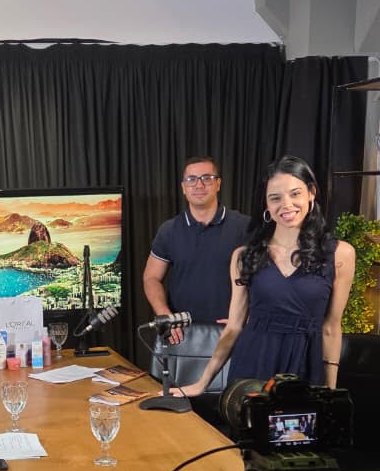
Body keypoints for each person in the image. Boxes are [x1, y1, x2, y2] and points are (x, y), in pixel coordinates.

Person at [171, 155, 356, 398]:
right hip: (253, 365)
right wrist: (201, 383)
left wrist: (330, 392)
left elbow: (331, 328)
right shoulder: (244, 256)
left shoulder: (341, 254)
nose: (286, 205)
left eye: (295, 194)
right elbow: (234, 327)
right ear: (266, 205)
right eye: (275, 198)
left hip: (305, 366)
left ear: (311, 193)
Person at [143, 155, 250, 345]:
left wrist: (247, 318)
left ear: (218, 184)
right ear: (183, 187)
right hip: (183, 336)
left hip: (232, 334)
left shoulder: (244, 227)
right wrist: (165, 314)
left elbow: (265, 280)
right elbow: (151, 278)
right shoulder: (169, 230)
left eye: (207, 178)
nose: (199, 185)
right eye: (191, 179)